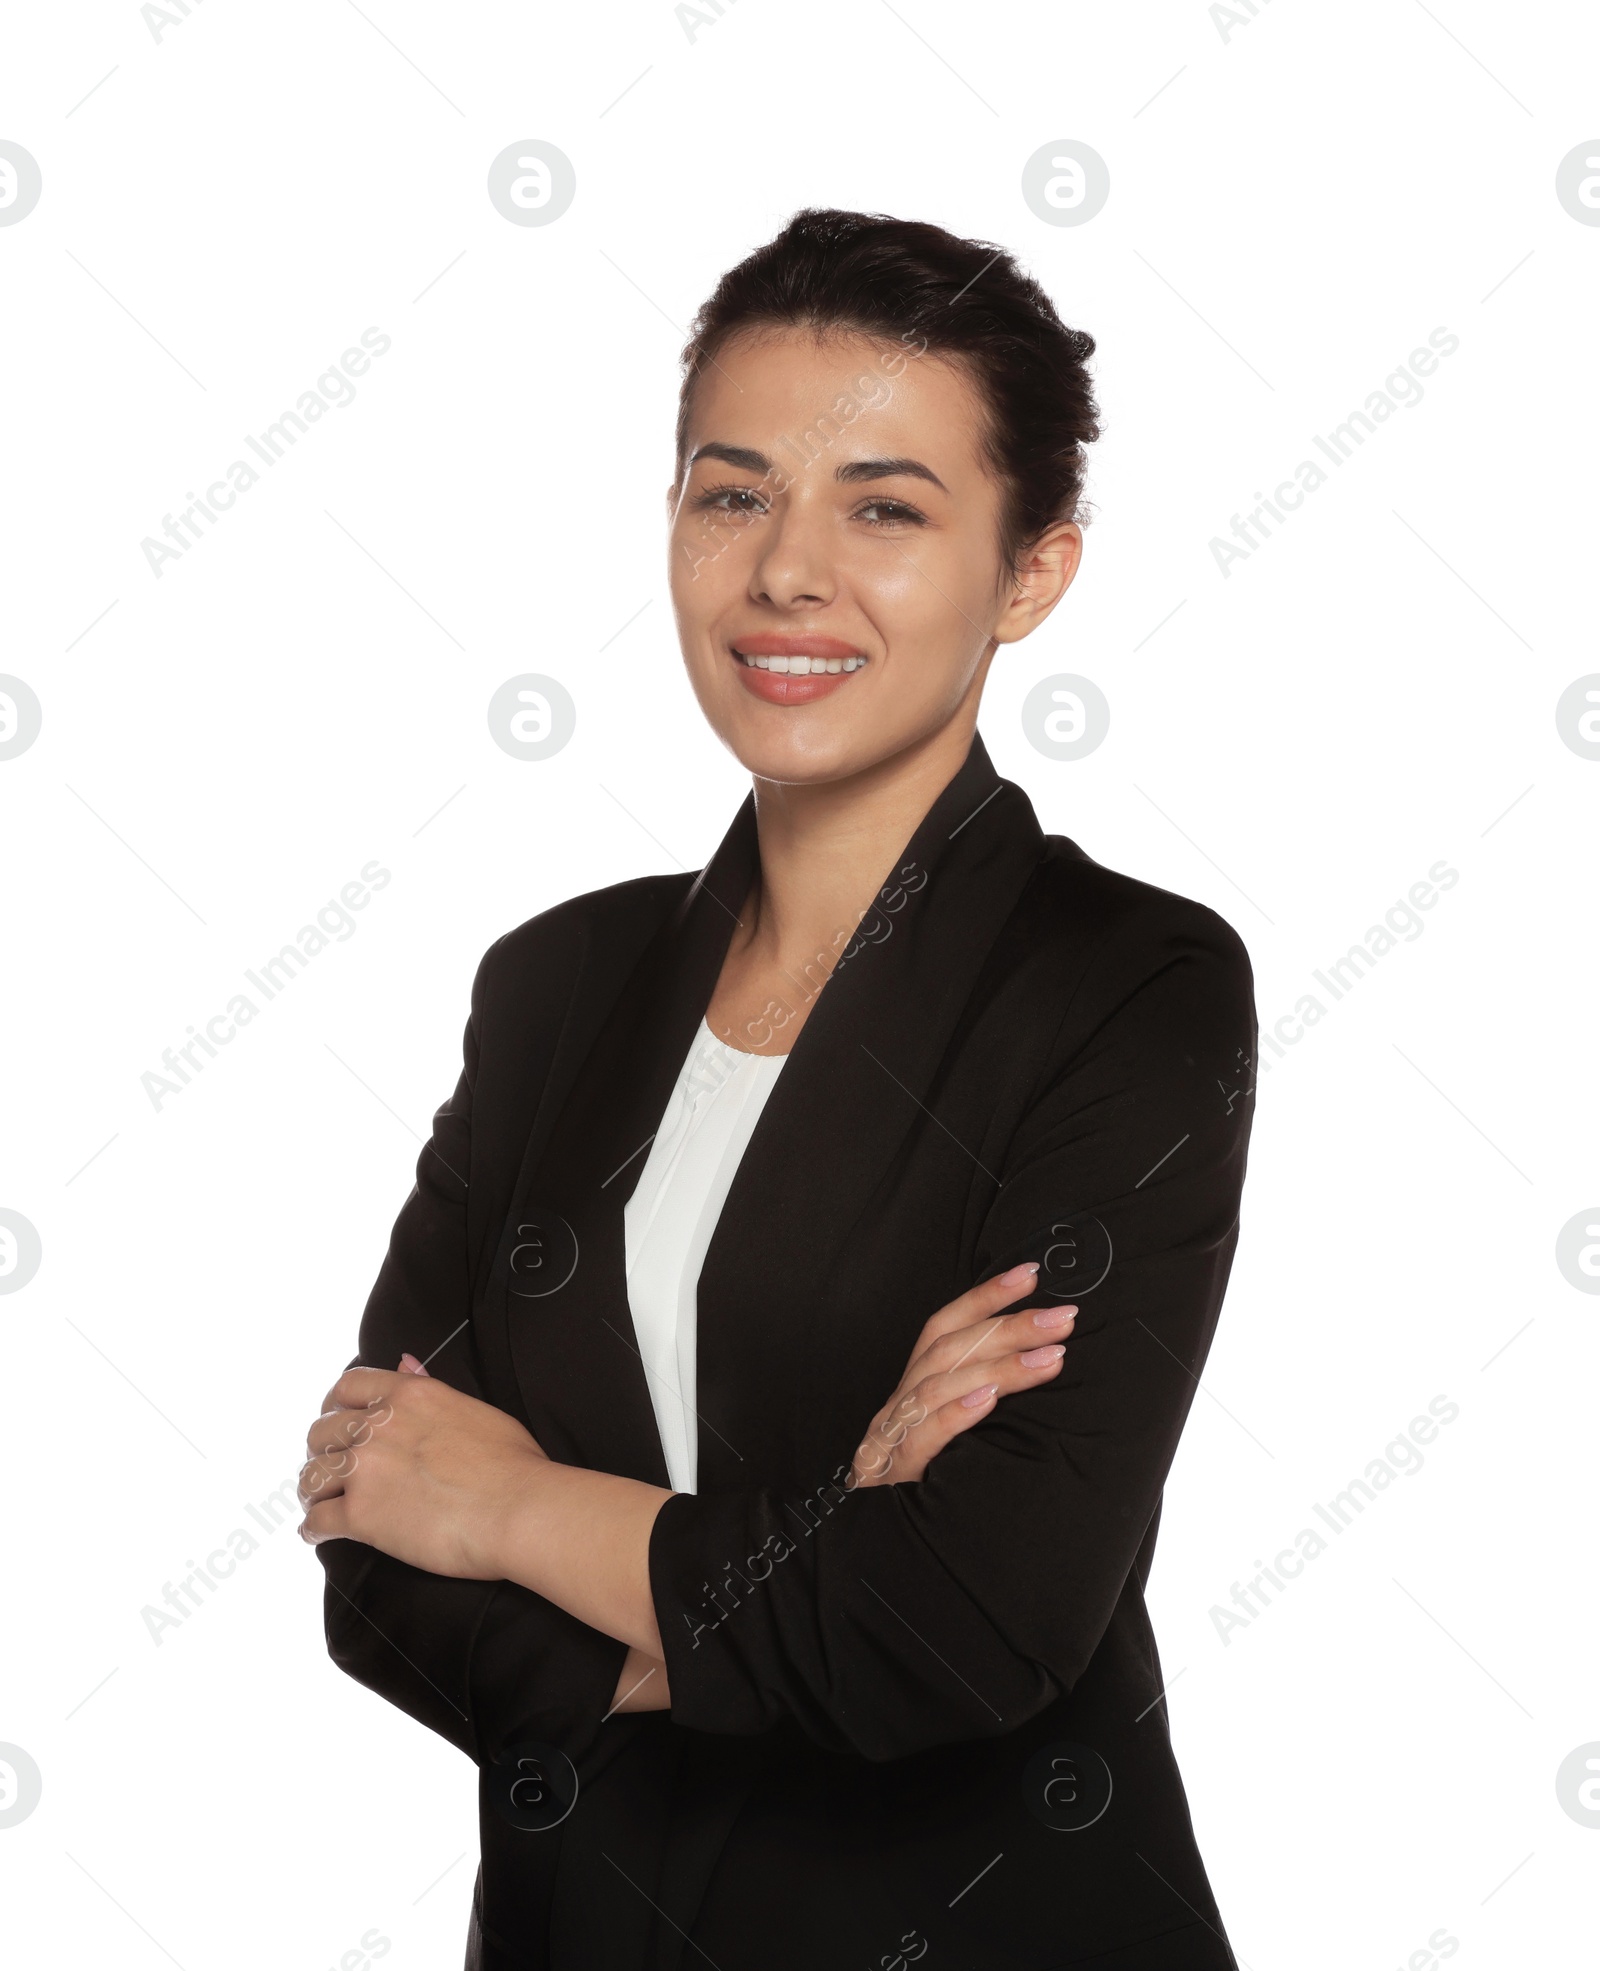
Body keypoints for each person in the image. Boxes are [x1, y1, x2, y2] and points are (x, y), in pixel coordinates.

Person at [300, 207, 1257, 1970]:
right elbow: (376, 1543)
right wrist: (810, 1552)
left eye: (885, 509)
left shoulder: (1128, 987)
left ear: (1033, 570)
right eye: (731, 495)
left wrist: (516, 1510)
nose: (785, 574)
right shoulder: (558, 985)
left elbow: (963, 1624)